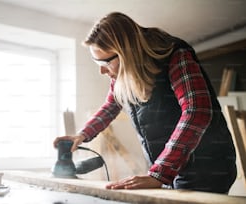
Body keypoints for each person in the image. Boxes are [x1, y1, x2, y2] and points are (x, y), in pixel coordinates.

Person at [53, 12, 237, 193]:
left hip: (206, 165)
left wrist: (159, 173)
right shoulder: (123, 71)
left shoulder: (175, 54)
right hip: (169, 167)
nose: (102, 71)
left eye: (106, 62)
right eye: (96, 62)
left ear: (127, 53)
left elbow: (197, 112)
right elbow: (111, 104)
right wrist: (82, 135)